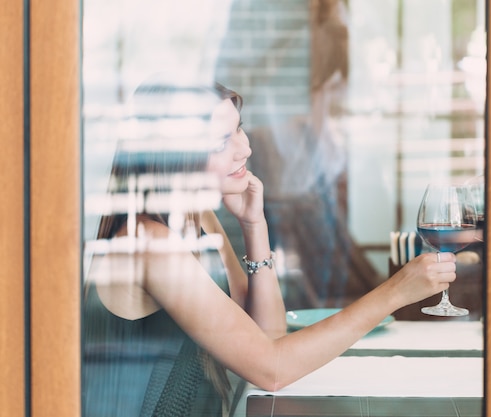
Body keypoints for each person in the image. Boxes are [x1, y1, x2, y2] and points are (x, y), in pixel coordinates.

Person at [82, 76, 458, 416]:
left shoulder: (196, 221)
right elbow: (272, 369)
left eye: (239, 129)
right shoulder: (148, 244)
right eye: (219, 142)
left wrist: (253, 225)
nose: (243, 149)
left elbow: (268, 335)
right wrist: (395, 293)